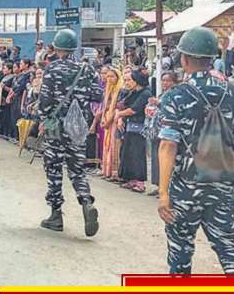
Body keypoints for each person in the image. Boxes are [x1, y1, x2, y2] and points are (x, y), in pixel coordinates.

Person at [157, 26, 234, 274]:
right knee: (229, 248)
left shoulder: (176, 95)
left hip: (186, 188)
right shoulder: (233, 94)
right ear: (213, 58)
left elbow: (168, 145)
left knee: (180, 253)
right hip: (224, 185)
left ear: (184, 58)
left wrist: (163, 192)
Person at [37, 28, 102, 237]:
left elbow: (45, 100)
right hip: (78, 126)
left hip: (56, 127)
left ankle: (56, 215)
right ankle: (85, 201)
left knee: (54, 168)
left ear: (56, 48)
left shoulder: (53, 69)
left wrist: (43, 118)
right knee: (77, 169)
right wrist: (79, 98)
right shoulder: (88, 69)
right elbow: (98, 95)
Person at [116, 69, 152, 193]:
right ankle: (130, 179)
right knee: (127, 153)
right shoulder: (132, 92)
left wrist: (119, 115)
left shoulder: (145, 93)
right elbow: (121, 105)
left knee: (137, 154)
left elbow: (134, 109)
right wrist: (120, 116)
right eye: (125, 80)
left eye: (129, 80)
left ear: (136, 81)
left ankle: (140, 182)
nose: (127, 83)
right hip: (129, 126)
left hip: (140, 127)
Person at [144, 71, 177, 197]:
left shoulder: (174, 94)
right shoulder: (163, 94)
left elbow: (171, 109)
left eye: (168, 80)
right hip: (156, 130)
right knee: (156, 158)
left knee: (166, 160)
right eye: (163, 80)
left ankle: (167, 188)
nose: (165, 83)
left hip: (167, 131)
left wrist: (159, 103)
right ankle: (159, 185)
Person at [99, 67, 123, 180]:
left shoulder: (120, 90)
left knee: (114, 145)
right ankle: (106, 170)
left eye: (112, 76)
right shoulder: (108, 89)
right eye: (107, 76)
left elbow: (117, 107)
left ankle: (114, 172)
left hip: (115, 120)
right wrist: (104, 117)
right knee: (107, 145)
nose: (109, 79)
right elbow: (105, 106)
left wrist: (108, 120)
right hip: (107, 118)